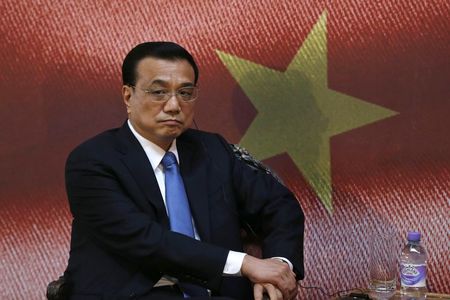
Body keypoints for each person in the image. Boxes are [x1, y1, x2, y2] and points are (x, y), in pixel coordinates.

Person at [64, 41, 304, 300]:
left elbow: (279, 205)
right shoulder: (92, 161)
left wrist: (279, 268)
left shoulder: (213, 150)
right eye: (158, 92)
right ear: (127, 96)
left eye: (185, 93)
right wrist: (246, 263)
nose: (174, 106)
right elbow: (148, 240)